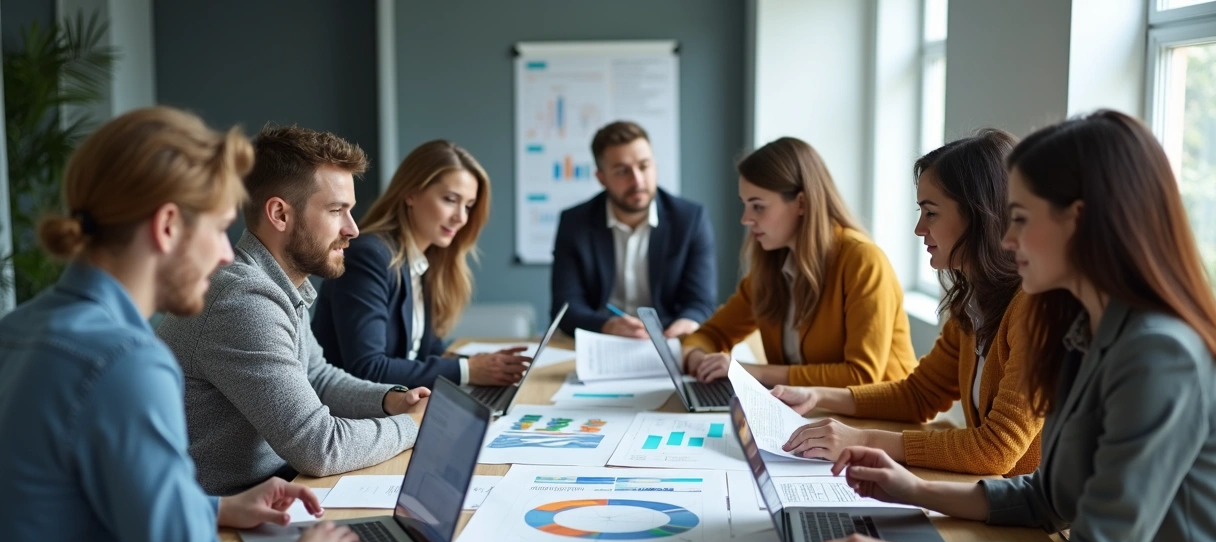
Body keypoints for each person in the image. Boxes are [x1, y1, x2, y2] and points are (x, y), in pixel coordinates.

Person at [801, 111, 1216, 542]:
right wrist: (911, 490)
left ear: (1078, 220)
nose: (1006, 237)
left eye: (1019, 218)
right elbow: (1046, 499)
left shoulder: (1158, 354)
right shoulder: (1081, 328)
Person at [0, 107, 366, 542]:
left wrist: (215, 507)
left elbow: (63, 504)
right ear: (168, 226)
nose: (225, 255)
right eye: (219, 229)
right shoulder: (126, 363)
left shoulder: (19, 328)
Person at [158, 124, 428, 496]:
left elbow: (316, 376)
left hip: (274, 490)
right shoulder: (243, 300)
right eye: (336, 210)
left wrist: (392, 399)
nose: (353, 229)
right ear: (280, 215)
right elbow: (320, 447)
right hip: (223, 519)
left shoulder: (282, 283)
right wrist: (414, 426)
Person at [773, 130, 1043, 477]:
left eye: (931, 213)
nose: (919, 229)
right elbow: (918, 395)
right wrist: (816, 396)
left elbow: (994, 451)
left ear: (979, 215)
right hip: (995, 501)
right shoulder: (974, 302)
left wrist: (861, 440)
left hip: (1038, 527)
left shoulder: (1034, 309)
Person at [682, 137, 917, 387]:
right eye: (745, 205)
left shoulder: (863, 261)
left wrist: (749, 372)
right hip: (812, 416)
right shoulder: (771, 267)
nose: (746, 219)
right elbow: (709, 335)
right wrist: (698, 359)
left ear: (802, 203)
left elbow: (861, 377)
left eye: (758, 207)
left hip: (882, 422)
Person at [313, 140, 529, 388]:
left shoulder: (426, 261)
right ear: (411, 194)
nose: (461, 217)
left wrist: (484, 365)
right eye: (450, 199)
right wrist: (468, 370)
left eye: (468, 206)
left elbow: (427, 353)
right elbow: (367, 368)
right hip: (351, 416)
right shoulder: (369, 255)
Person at [550, 120, 717, 339]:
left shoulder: (690, 220)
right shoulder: (575, 222)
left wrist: (686, 322)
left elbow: (701, 301)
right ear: (602, 178)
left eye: (644, 166)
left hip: (667, 337)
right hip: (602, 339)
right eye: (622, 171)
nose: (637, 180)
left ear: (655, 166)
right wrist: (608, 326)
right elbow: (566, 308)